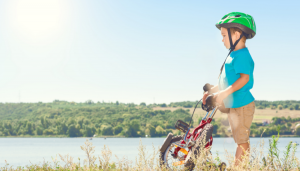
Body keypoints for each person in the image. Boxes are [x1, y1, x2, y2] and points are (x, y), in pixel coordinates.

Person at [203, 12, 256, 165]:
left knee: (241, 140)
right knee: (238, 138)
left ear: (237, 33)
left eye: (224, 35)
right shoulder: (233, 55)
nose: (222, 39)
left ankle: (238, 168)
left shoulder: (242, 55)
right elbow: (227, 81)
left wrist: (224, 93)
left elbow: (244, 79)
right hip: (235, 105)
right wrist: (212, 90)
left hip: (243, 106)